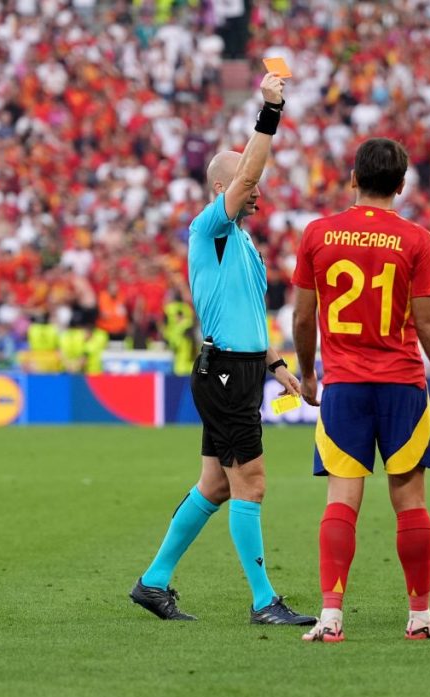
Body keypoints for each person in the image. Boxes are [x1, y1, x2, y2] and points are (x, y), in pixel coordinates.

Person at [291, 137, 430, 643]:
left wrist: (308, 373)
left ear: (352, 179)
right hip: (402, 385)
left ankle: (331, 617)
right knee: (410, 502)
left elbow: (302, 314)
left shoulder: (318, 233)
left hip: (343, 385)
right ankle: (420, 616)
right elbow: (428, 324)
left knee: (341, 500)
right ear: (402, 185)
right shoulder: (416, 240)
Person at [130, 72, 316, 627]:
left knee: (215, 483)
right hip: (226, 374)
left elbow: (249, 318)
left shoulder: (241, 243)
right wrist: (270, 111)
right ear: (221, 189)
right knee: (250, 481)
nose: (255, 188)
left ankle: (153, 583)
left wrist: (277, 364)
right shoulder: (210, 226)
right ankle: (263, 602)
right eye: (244, 183)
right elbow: (249, 170)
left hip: (239, 368)